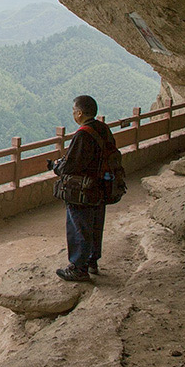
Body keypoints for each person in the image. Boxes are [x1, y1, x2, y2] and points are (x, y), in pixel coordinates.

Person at [49, 95, 116, 282]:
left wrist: (55, 166)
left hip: (83, 191)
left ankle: (78, 267)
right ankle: (92, 261)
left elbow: (71, 165)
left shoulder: (83, 134)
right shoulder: (103, 129)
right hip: (102, 185)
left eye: (73, 111)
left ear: (79, 113)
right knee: (95, 224)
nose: (73, 114)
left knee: (79, 226)